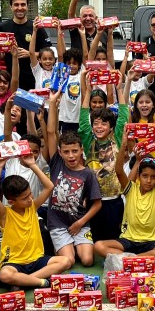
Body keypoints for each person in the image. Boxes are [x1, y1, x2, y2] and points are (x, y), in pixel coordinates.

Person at [0, 151, 72, 288]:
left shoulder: (32, 207)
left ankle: (25, 281)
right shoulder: (6, 213)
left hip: (37, 260)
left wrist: (33, 165)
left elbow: (49, 186)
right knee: (5, 274)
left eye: (30, 194)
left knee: (66, 261)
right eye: (24, 198)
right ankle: (40, 281)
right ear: (11, 201)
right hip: (15, 263)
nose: (30, 199)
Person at [94, 136, 155, 262]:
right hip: (128, 240)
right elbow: (119, 171)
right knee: (98, 246)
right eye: (145, 176)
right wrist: (123, 146)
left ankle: (130, 260)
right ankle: (138, 260)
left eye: (153, 177)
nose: (149, 180)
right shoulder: (131, 189)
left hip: (151, 242)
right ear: (138, 176)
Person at [45, 90, 103, 267]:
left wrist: (81, 222)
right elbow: (51, 132)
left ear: (81, 151)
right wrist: (53, 104)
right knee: (68, 261)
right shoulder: (57, 163)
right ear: (60, 152)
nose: (71, 156)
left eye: (75, 151)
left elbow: (97, 203)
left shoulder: (87, 173)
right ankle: (64, 247)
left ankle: (73, 246)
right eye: (66, 152)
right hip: (57, 223)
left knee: (87, 260)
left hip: (80, 222)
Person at [79, 69, 129, 242]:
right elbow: (83, 119)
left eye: (104, 124)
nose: (99, 127)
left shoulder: (116, 138)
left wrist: (119, 89)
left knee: (114, 239)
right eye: (96, 124)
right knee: (96, 240)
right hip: (93, 200)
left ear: (111, 127)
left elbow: (123, 115)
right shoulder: (88, 141)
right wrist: (87, 90)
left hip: (115, 200)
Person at [0, 0, 52, 91]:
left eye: (23, 4)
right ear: (11, 7)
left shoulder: (37, 28)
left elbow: (49, 53)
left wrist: (30, 54)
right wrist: (0, 55)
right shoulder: (3, 28)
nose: (20, 8)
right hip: (11, 82)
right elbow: (0, 53)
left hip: (33, 80)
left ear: (27, 6)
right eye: (16, 5)